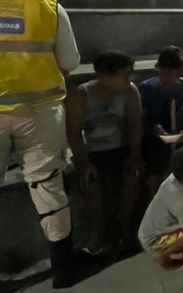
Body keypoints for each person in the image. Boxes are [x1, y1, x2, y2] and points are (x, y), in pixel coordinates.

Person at [0, 1, 82, 288]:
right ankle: (63, 270)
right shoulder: (49, 8)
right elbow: (70, 63)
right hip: (40, 110)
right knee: (48, 185)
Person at [66, 51, 142, 254]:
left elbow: (135, 126)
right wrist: (84, 164)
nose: (130, 79)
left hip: (120, 148)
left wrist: (134, 156)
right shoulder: (81, 95)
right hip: (93, 152)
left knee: (132, 176)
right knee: (89, 182)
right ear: (104, 76)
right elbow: (73, 134)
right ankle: (98, 231)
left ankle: (125, 228)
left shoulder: (130, 92)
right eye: (124, 75)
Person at [137, 144, 183, 293]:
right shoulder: (182, 202)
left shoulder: (173, 180)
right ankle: (162, 254)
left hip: (151, 230)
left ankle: (172, 246)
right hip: (154, 240)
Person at [139, 46, 183, 199]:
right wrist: (154, 129)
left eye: (172, 75)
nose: (167, 79)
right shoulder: (146, 88)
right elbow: (140, 118)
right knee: (154, 166)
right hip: (155, 138)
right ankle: (156, 205)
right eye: (164, 74)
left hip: (182, 135)